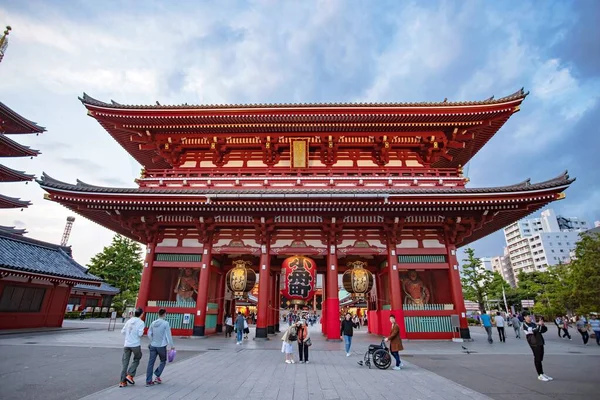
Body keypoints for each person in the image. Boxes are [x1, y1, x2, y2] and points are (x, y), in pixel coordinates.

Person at [145, 308, 175, 387]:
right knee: (163, 360)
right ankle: (157, 374)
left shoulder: (153, 323)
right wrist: (172, 346)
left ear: (158, 314)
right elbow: (168, 336)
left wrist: (152, 341)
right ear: (164, 314)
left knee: (150, 363)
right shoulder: (165, 323)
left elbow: (149, 333)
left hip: (153, 345)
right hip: (161, 346)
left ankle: (148, 381)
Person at [522, 311, 552, 382]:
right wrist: (538, 325)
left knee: (540, 357)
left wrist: (542, 325)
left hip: (540, 341)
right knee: (537, 358)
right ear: (525, 317)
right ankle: (540, 375)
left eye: (530, 316)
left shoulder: (533, 323)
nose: (530, 317)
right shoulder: (525, 325)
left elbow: (542, 330)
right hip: (534, 343)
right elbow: (533, 331)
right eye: (528, 316)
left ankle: (542, 373)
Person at [119, 307, 145, 388]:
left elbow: (122, 331)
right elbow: (140, 334)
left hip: (127, 344)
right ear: (141, 314)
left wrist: (128, 334)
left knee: (125, 363)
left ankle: (122, 382)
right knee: (137, 357)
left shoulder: (129, 321)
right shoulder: (141, 322)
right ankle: (130, 375)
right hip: (135, 344)